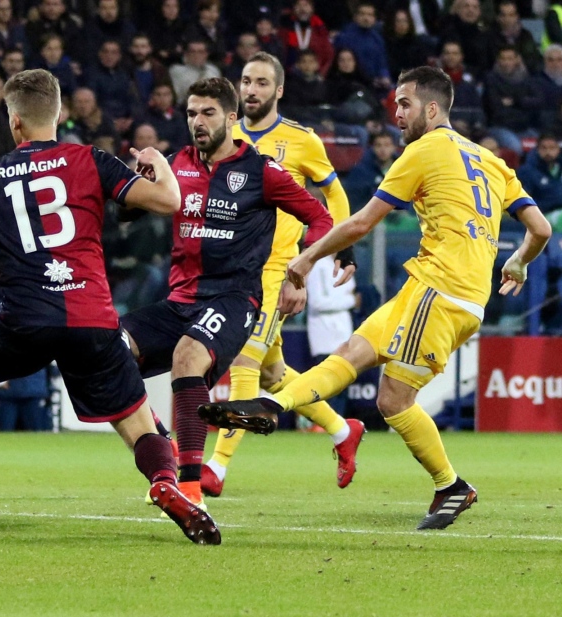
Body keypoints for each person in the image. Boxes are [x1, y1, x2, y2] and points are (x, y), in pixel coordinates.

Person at [200, 66, 553, 530]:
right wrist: (519, 262)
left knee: (392, 399)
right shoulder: (488, 159)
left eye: (404, 104)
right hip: (432, 286)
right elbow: (541, 228)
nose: (396, 114)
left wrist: (307, 259)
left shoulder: (424, 150)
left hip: (443, 292)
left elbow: (364, 222)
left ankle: (451, 485)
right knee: (352, 353)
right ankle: (273, 407)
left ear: (431, 108)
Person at [0, 69, 219, 544]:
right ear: (60, 114)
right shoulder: (91, 159)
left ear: (14, 122)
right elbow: (170, 200)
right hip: (92, 317)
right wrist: (155, 160)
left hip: (23, 317)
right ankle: (166, 484)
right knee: (135, 418)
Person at [120, 76, 334, 509]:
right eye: (191, 113)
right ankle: (163, 440)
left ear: (232, 118)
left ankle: (192, 490)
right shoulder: (176, 163)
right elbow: (129, 212)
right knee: (105, 348)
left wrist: (304, 269)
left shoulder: (262, 172)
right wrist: (137, 183)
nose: (197, 121)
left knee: (187, 358)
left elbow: (321, 218)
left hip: (234, 301)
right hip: (179, 301)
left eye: (208, 113)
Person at [202, 52, 364, 498]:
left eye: (259, 83)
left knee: (244, 362)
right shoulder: (225, 135)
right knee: (274, 373)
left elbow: (333, 192)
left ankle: (216, 467)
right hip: (234, 270)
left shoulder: (301, 140)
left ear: (278, 91)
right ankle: (341, 430)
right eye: (245, 81)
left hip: (277, 271)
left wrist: (340, 246)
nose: (250, 89)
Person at [305, 255, 356, 420]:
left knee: (341, 388)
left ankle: (339, 427)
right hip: (325, 336)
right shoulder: (319, 265)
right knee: (326, 386)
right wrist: (351, 300)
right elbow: (317, 302)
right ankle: (322, 424)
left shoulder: (344, 264)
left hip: (343, 335)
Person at [517, 133, 562, 213]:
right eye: (544, 148)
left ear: (558, 149)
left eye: (552, 148)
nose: (548, 152)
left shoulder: (559, 168)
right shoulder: (527, 171)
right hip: (542, 215)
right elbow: (525, 202)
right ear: (537, 149)